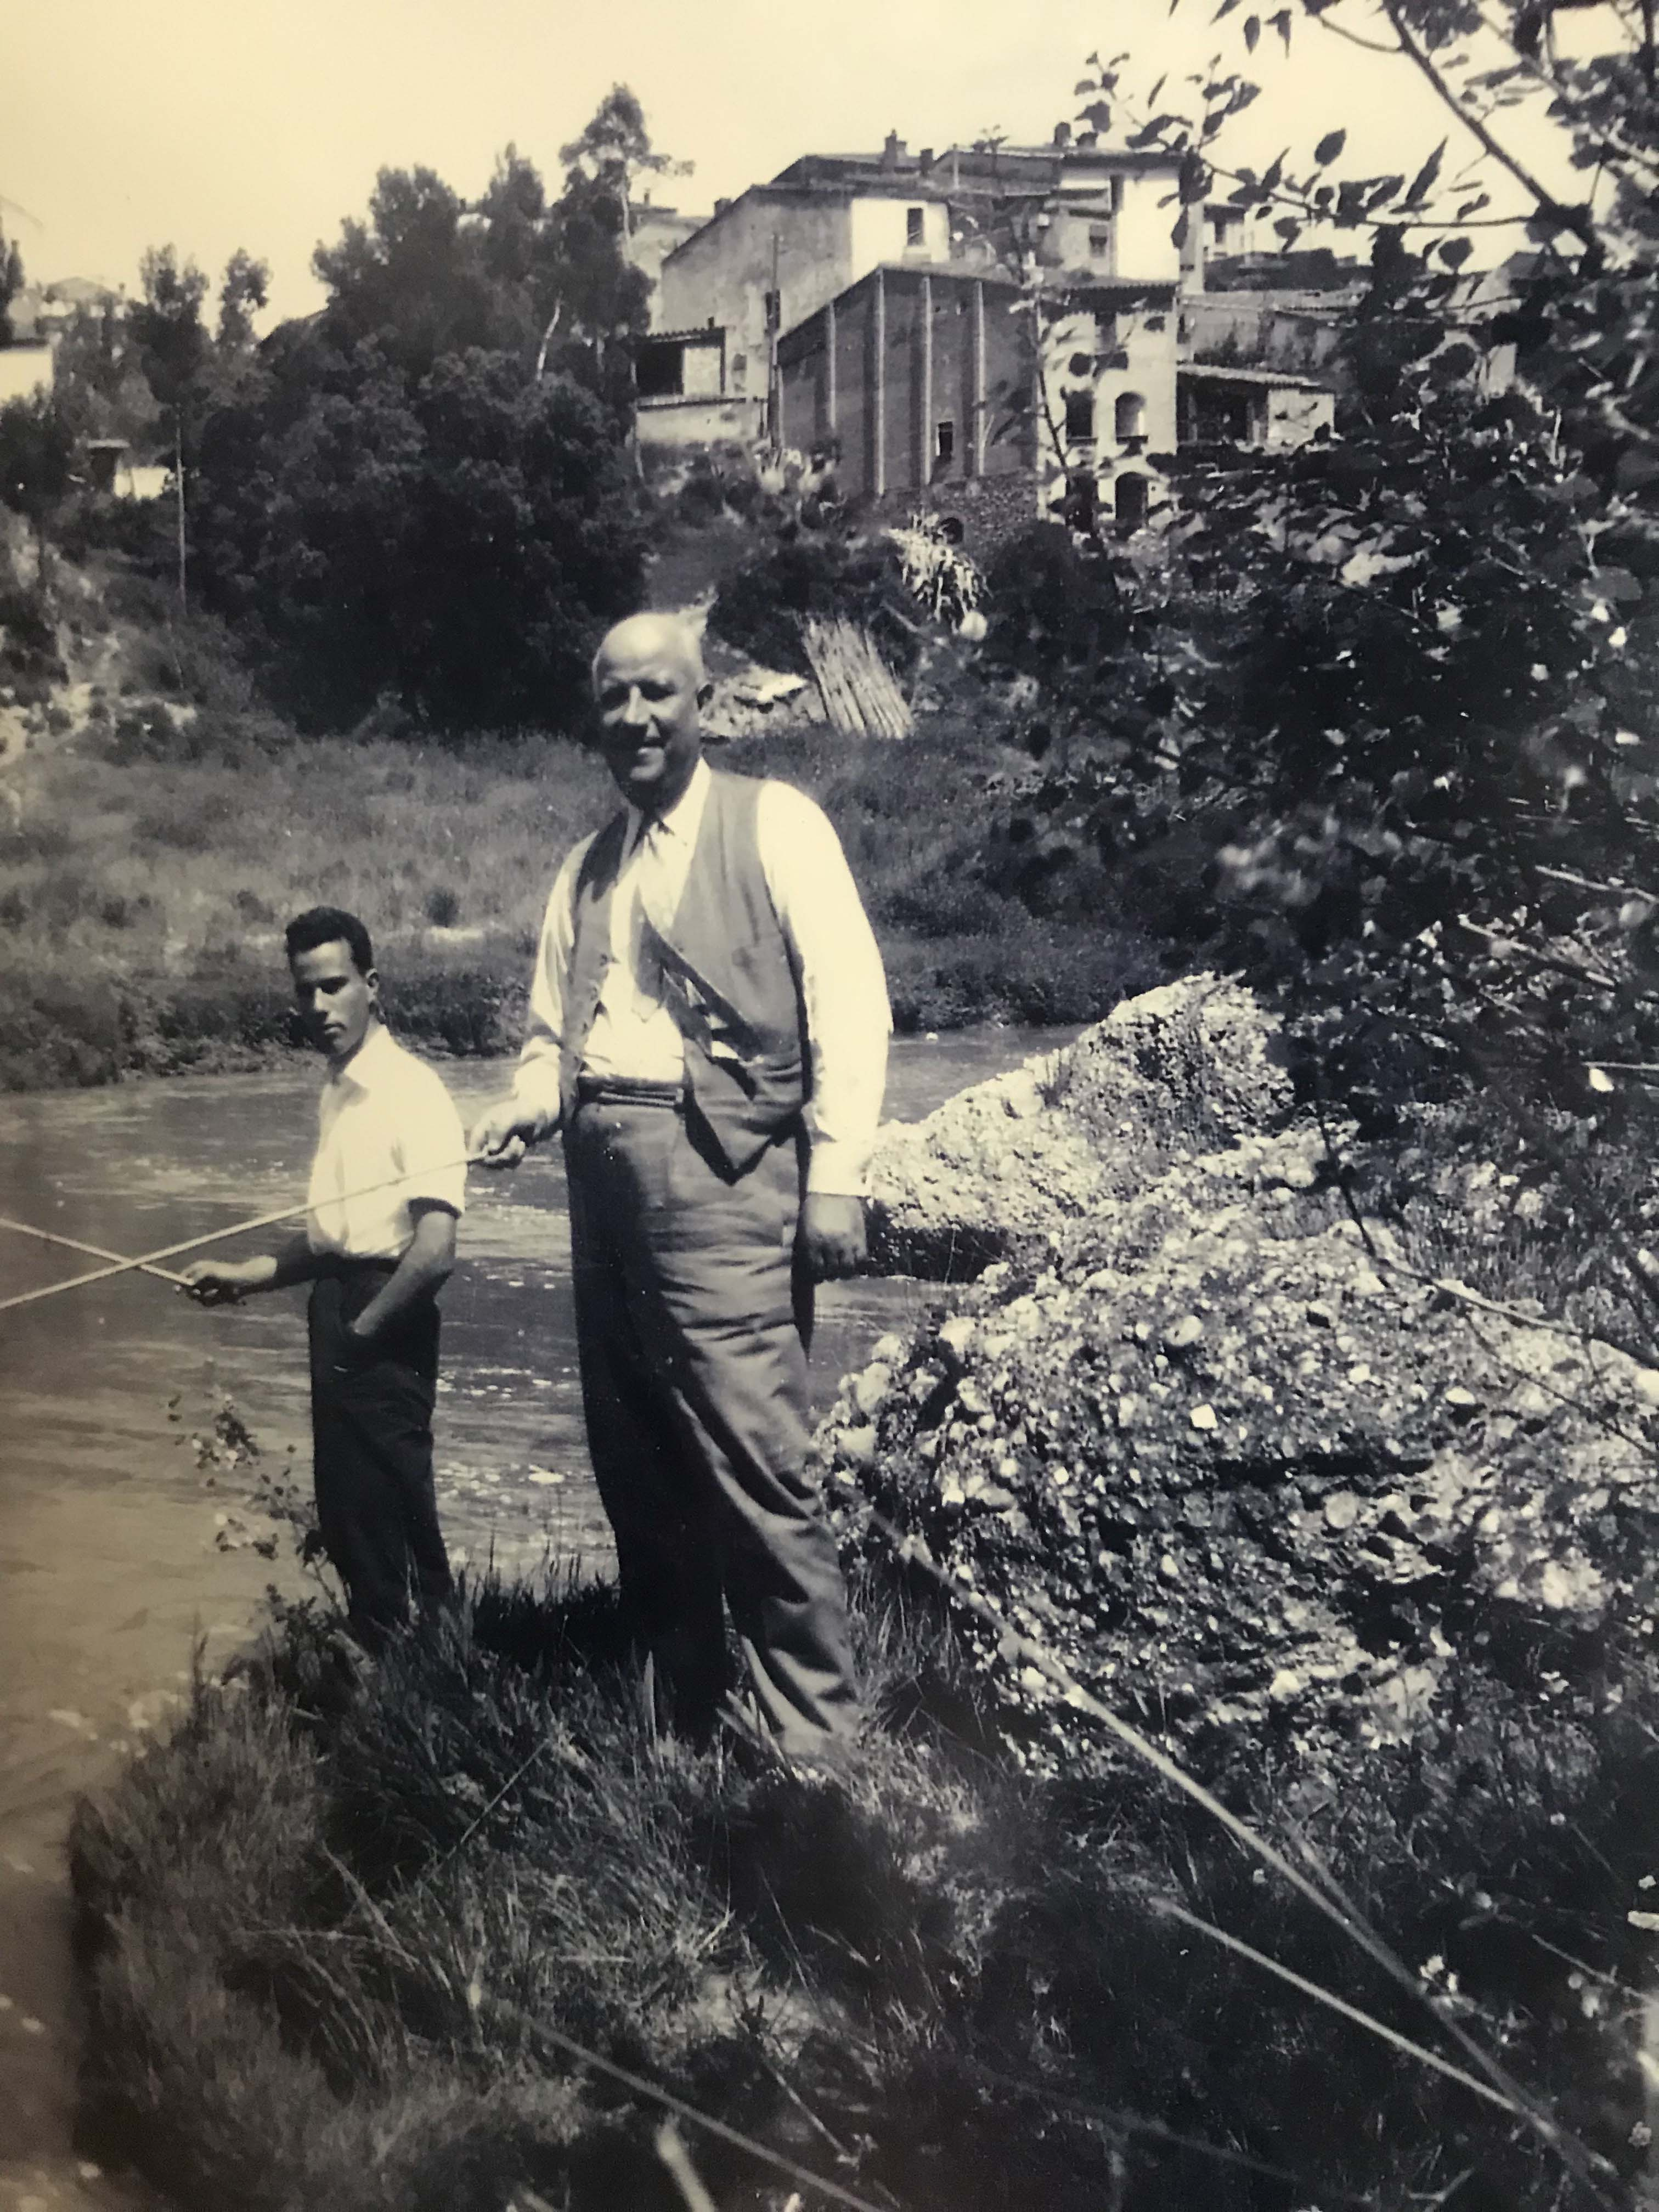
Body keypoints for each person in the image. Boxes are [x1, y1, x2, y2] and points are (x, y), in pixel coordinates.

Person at [470, 612, 890, 1758]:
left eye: (658, 694)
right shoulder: (585, 867)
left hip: (729, 1180)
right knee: (639, 1464)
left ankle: (820, 1753)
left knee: (759, 1467)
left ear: (704, 702)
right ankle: (684, 1733)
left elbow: (851, 997)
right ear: (594, 714)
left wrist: (838, 1174)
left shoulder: (778, 826)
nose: (636, 718)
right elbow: (551, 1035)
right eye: (615, 699)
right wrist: (524, 1099)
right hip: (600, 1181)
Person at [182, 907, 467, 1651]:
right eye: (305, 991)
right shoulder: (336, 1090)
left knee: (398, 1508)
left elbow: (434, 1249)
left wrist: (362, 1337)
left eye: (334, 986)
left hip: (385, 1312)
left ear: (371, 986)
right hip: (340, 1305)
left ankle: (442, 1689)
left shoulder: (414, 1090)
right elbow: (329, 1240)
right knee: (350, 1517)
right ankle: (386, 1686)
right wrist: (244, 1276)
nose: (318, 1008)